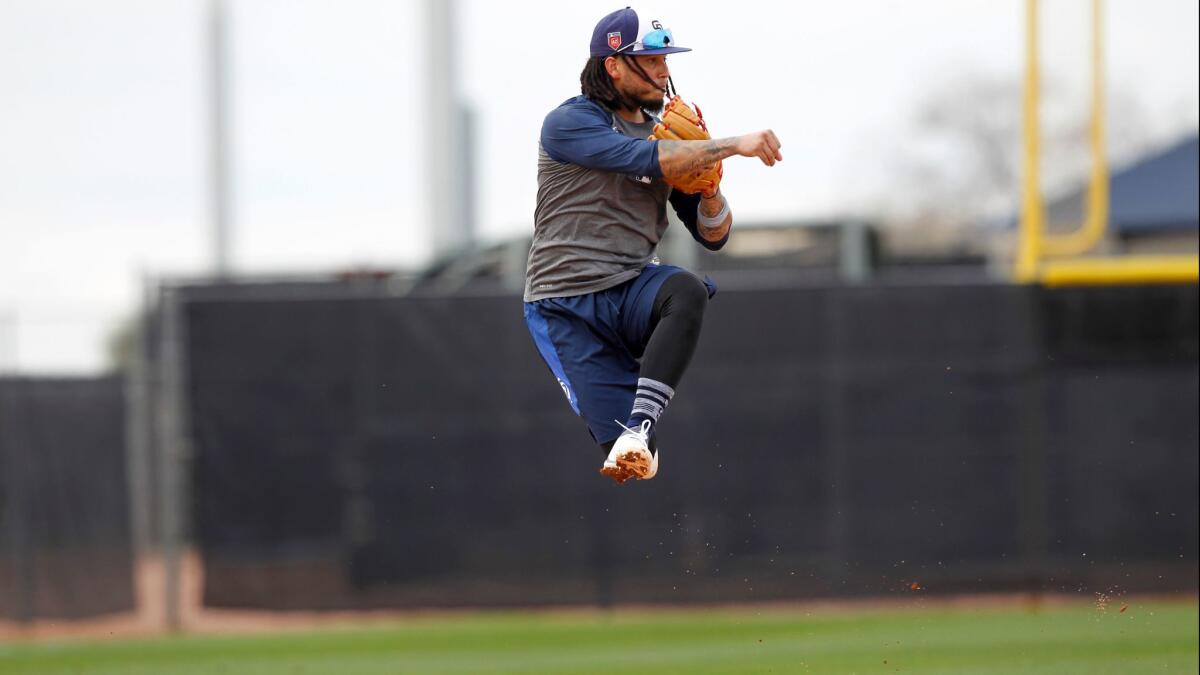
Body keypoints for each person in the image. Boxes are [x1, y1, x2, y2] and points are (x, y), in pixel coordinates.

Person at [523, 7, 783, 484]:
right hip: (565, 305)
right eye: (651, 59)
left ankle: (641, 426)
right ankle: (636, 437)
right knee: (634, 463)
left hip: (629, 288)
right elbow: (644, 158)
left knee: (685, 289)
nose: (665, 71)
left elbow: (715, 235)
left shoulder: (666, 132)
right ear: (614, 65)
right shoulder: (568, 124)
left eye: (666, 59)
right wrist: (730, 145)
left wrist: (709, 189)